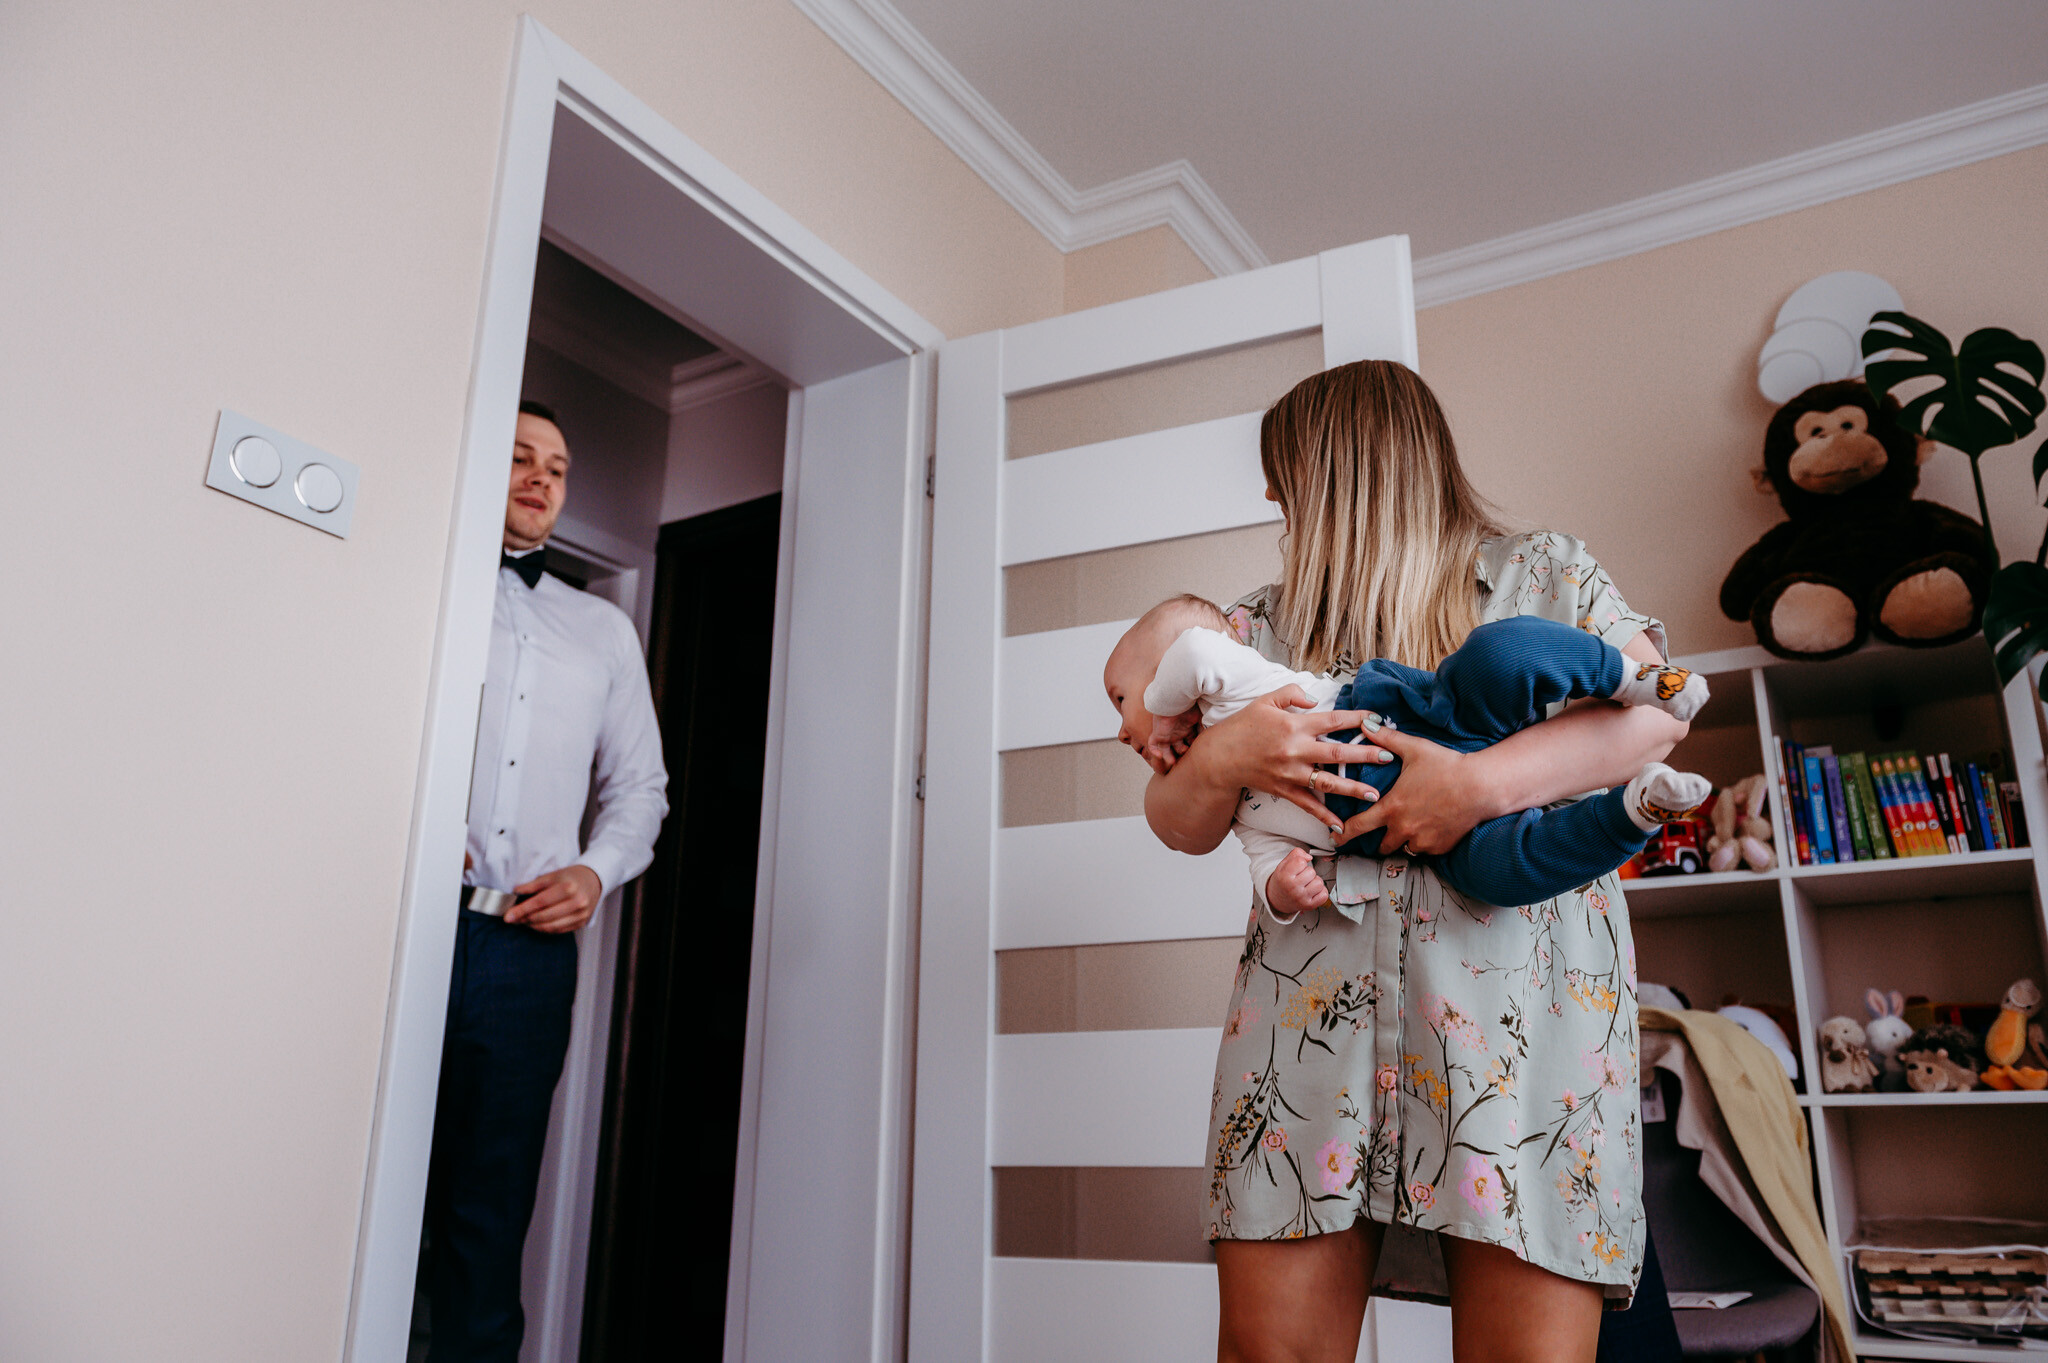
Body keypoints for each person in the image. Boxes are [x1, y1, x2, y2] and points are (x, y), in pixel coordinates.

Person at [1145, 361, 1689, 1363]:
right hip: (1304, 1049)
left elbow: (1658, 713)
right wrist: (1225, 756)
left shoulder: (1544, 573)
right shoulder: (1251, 629)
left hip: (1521, 1042)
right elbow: (1175, 819)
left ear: (1338, 470)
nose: (1270, 496)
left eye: (1283, 474)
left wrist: (1472, 789)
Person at [422, 400, 668, 1362]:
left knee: (489, 1211)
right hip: (411, 928)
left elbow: (641, 788)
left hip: (528, 958)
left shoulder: (603, 630)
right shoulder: (426, 579)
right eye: (521, 456)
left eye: (557, 468)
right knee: (369, 1176)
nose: (540, 477)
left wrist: (596, 874)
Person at [1101, 595, 1709, 917]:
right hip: (1425, 840)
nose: (1122, 734)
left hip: (1422, 716)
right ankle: (1636, 813)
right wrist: (1282, 890)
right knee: (1505, 874)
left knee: (1497, 656)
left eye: (1120, 698)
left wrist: (1159, 708)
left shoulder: (1226, 689)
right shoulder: (1238, 807)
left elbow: (1194, 652)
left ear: (1160, 672)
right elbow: (1263, 857)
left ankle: (1632, 678)